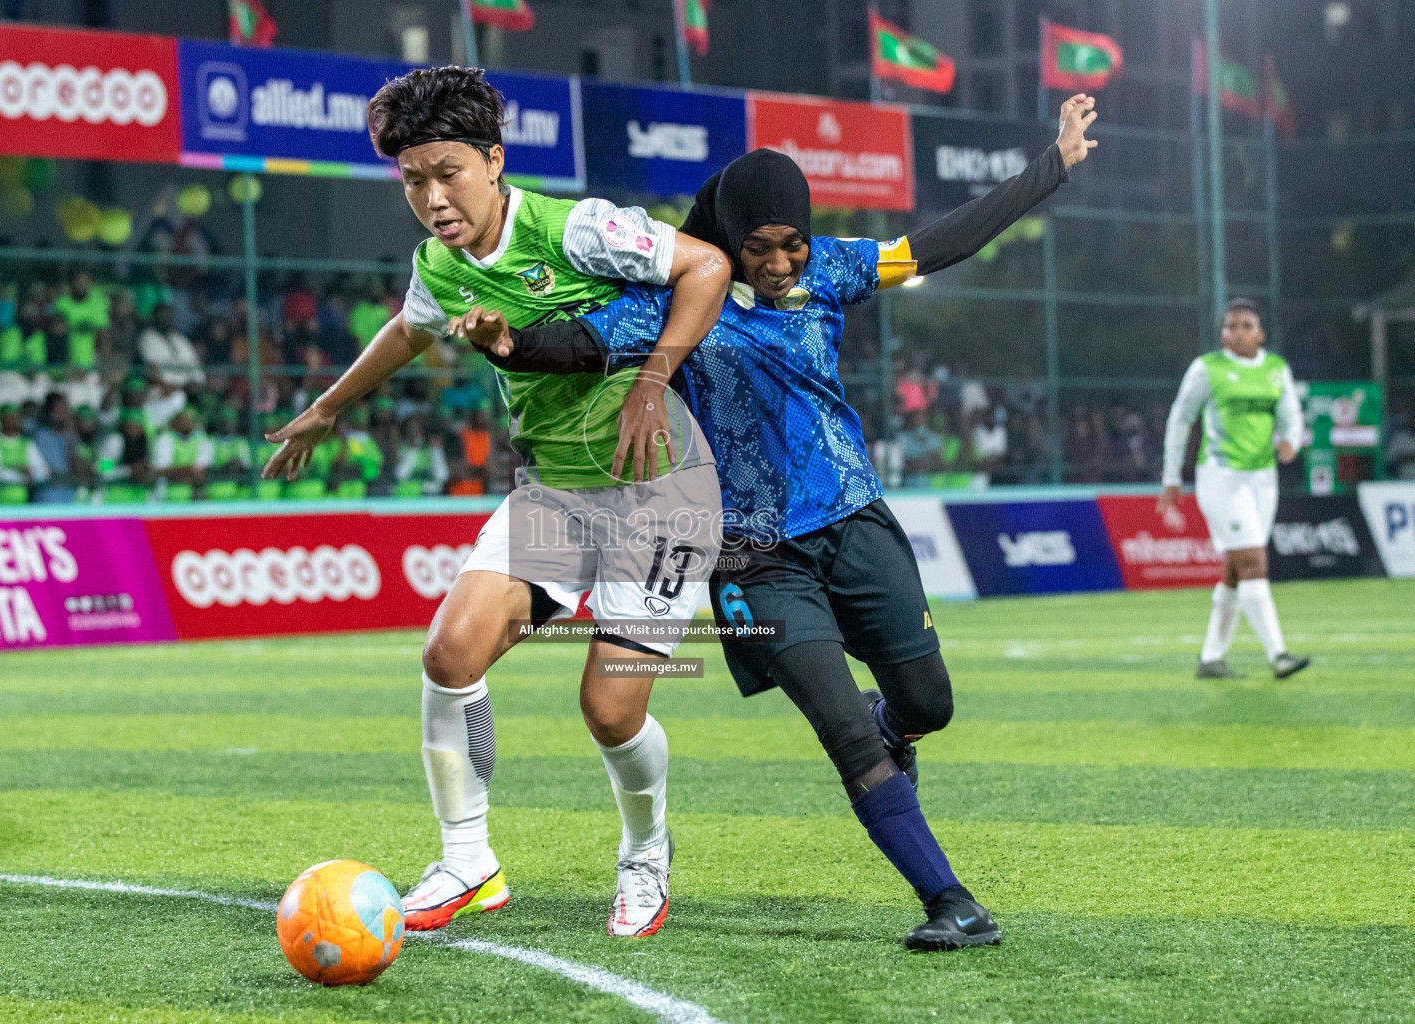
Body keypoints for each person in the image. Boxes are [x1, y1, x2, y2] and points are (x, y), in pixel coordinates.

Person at [458, 94, 1101, 952]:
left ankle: (896, 729)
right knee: (839, 725)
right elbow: (580, 342)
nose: (780, 261)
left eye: (791, 242)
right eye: (758, 247)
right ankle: (950, 899)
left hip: (855, 518)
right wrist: (510, 345)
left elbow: (942, 244)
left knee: (927, 704)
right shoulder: (676, 295)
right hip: (752, 553)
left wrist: (1051, 164)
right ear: (729, 242)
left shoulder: (833, 268)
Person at [263, 65, 731, 938]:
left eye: (448, 174)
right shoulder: (438, 263)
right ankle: (468, 862)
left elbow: (707, 264)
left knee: (610, 707)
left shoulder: (575, 229)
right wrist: (328, 407)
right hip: (556, 488)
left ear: (493, 160)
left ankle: (645, 854)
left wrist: (655, 371)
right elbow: (410, 327)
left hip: (662, 493)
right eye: (412, 181)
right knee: (450, 651)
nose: (433, 198)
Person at [1159, 298, 1309, 680]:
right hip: (1221, 477)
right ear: (1222, 334)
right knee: (1254, 561)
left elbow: (1292, 415)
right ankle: (1278, 656)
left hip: (1263, 478)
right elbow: (1181, 418)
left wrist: (1292, 440)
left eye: (1245, 325)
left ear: (1260, 332)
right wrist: (1171, 477)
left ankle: (1211, 659)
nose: (1237, 332)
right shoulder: (1207, 368)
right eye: (1230, 326)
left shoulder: (1276, 369)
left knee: (1235, 568)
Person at [0, 404, 51, 505]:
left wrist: (26, 472)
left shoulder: (27, 444)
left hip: (22, 504)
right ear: (2, 419)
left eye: (16, 417)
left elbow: (43, 472)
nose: (14, 420)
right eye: (10, 417)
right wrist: (21, 472)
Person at [151, 406, 213, 502]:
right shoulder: (165, 439)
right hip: (166, 495)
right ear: (174, 423)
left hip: (194, 495)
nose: (186, 423)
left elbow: (202, 471)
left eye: (190, 420)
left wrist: (181, 471)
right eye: (183, 420)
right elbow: (160, 470)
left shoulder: (203, 440)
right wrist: (187, 470)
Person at [139, 303, 206, 388]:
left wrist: (197, 381)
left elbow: (194, 362)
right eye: (162, 315)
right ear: (154, 317)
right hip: (164, 389)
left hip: (189, 387)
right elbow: (153, 367)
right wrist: (170, 387)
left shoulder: (179, 338)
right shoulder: (147, 338)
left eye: (168, 315)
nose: (166, 318)